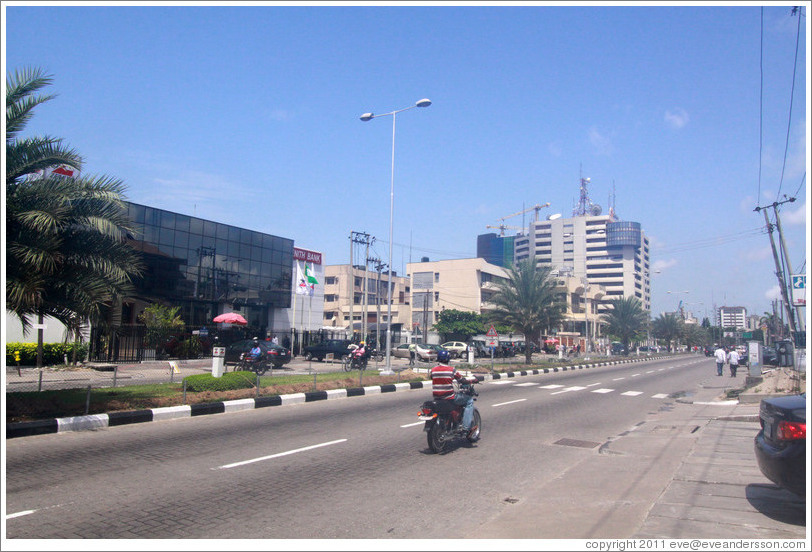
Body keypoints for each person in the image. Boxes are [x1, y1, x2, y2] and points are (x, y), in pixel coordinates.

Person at [430, 349, 478, 436]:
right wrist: (471, 381)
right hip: (449, 397)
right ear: (448, 359)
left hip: (437, 398)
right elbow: (461, 380)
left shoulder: (433, 370)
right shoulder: (451, 370)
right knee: (469, 401)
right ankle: (466, 428)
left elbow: (432, 377)